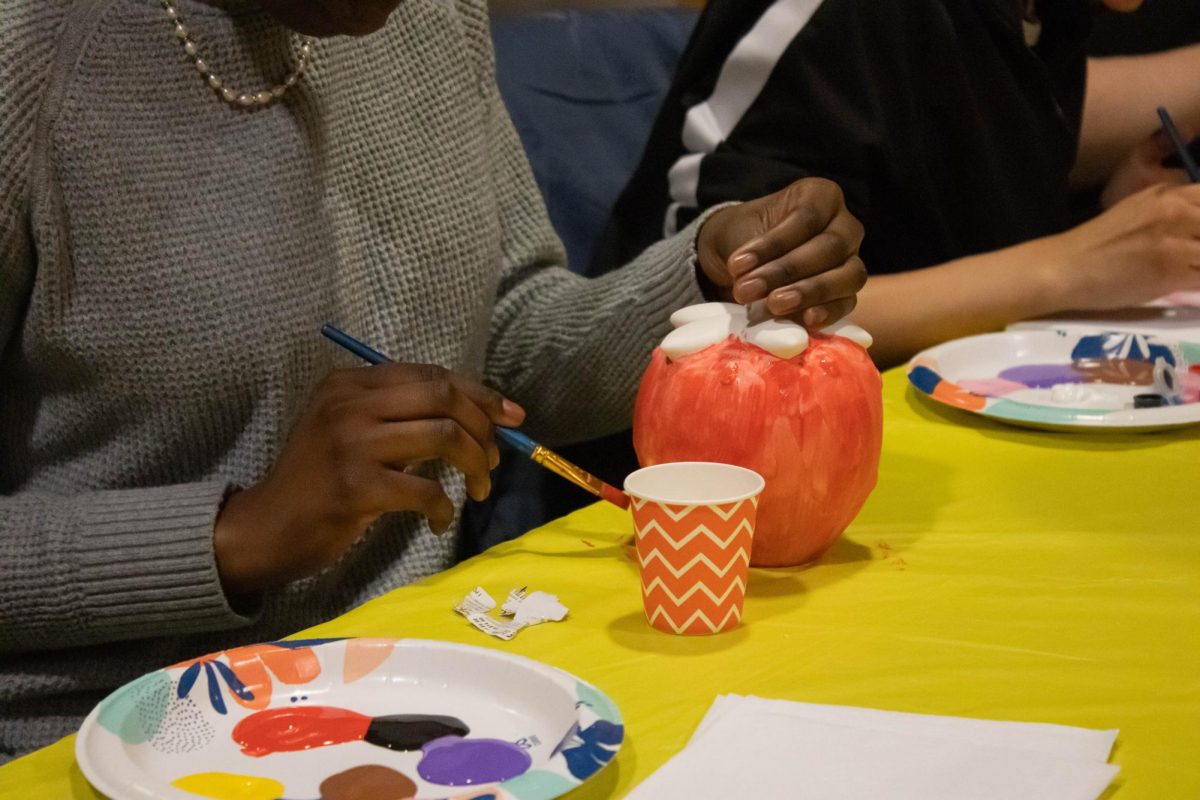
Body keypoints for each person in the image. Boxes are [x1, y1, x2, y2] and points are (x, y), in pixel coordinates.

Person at [0, 0, 866, 760]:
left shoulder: (428, 15)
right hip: (111, 732)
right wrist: (236, 537)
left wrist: (708, 284)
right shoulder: (29, 53)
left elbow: (510, 346)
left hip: (423, 689)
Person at [595, 0, 1200, 368]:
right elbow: (711, 304)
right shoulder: (841, 16)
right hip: (711, 485)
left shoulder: (1045, 13)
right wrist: (1071, 267)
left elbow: (966, 136)